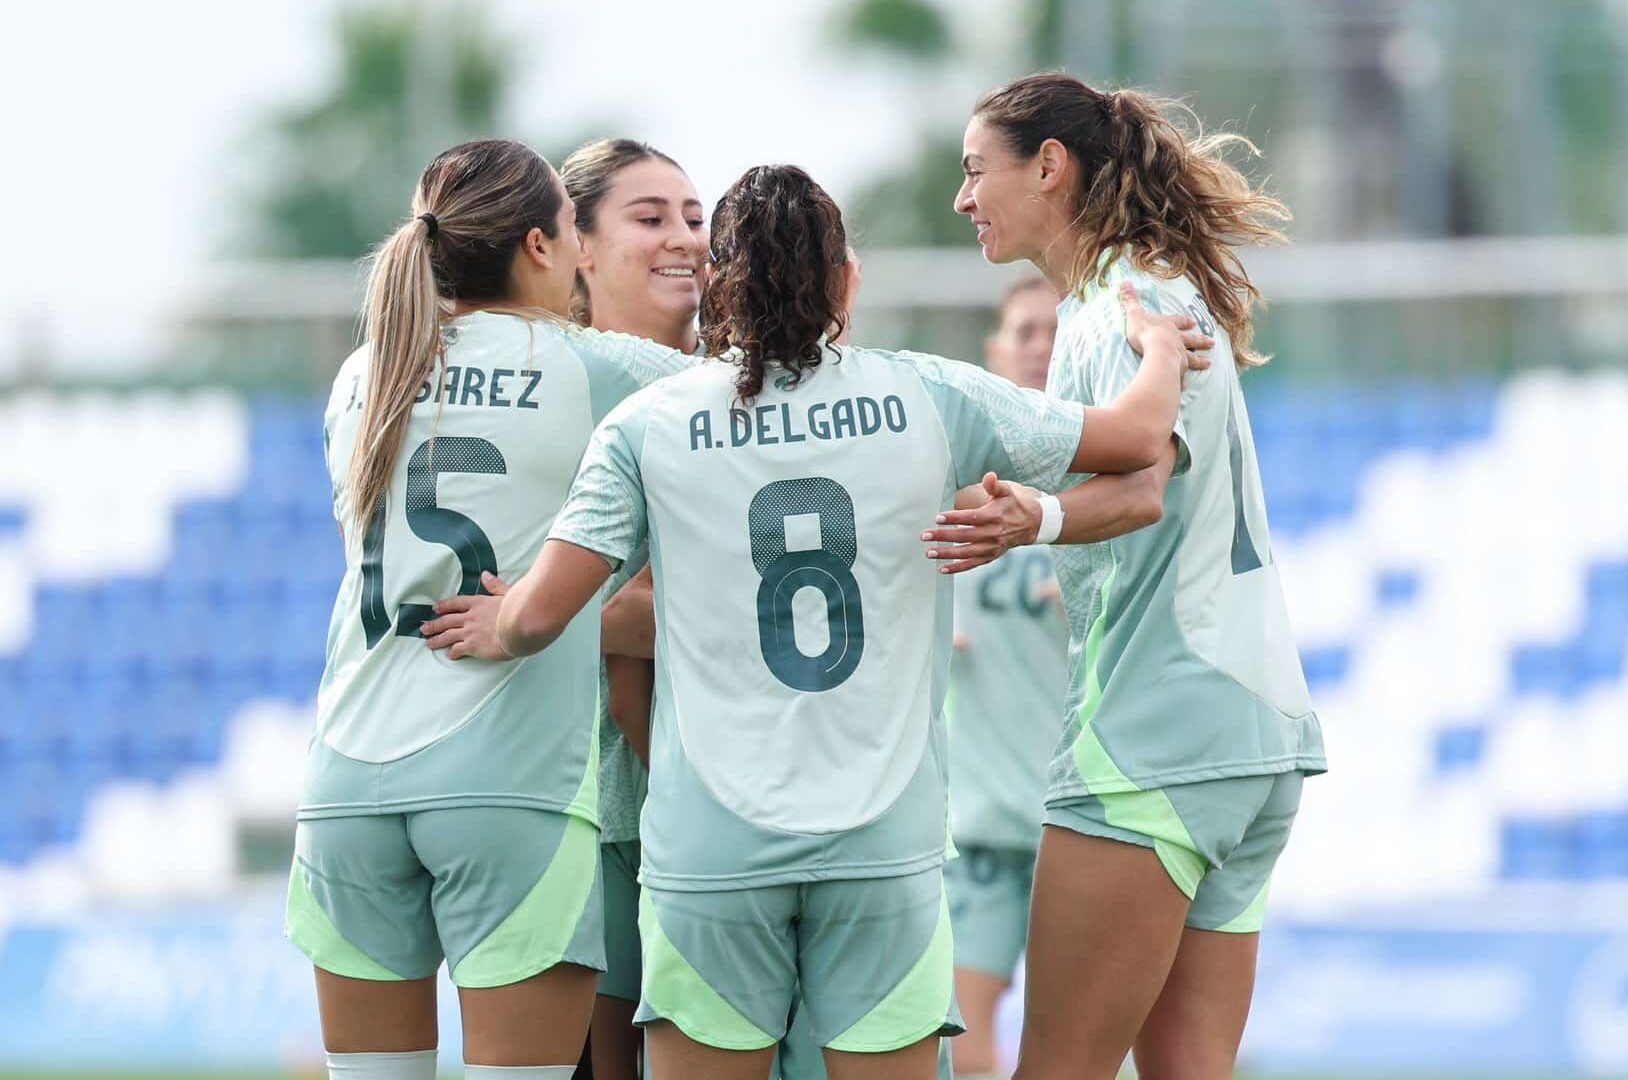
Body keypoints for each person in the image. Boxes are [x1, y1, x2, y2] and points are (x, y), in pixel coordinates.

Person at [428, 163, 1209, 1080]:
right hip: (881, 845)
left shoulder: (648, 422)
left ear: (719, 281)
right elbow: (1135, 439)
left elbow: (545, 616)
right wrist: (1158, 351)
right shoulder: (930, 396)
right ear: (843, 278)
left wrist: (494, 623)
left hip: (710, 851)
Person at [936, 73, 1329, 1080]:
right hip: (1259, 738)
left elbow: (1142, 485)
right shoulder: (1164, 293)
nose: (964, 197)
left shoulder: (1111, 309)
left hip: (1152, 742)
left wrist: (1038, 517)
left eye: (978, 170)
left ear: (1050, 167)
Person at [284, 138, 699, 1080]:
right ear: (545, 246)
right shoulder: (594, 367)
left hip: (345, 785)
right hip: (505, 788)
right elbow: (761, 392)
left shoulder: (363, 371)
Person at [559, 135, 705, 1080]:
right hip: (588, 816)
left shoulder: (761, 388)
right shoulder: (549, 394)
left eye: (696, 219)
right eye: (649, 219)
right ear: (572, 245)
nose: (684, 239)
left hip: (747, 825)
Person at [942, 277, 1066, 1080]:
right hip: (981, 818)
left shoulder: (1120, 487)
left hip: (1078, 815)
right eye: (1023, 329)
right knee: (965, 1031)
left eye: (1056, 330)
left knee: (1082, 1043)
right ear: (994, 350)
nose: (1039, 344)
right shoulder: (949, 483)